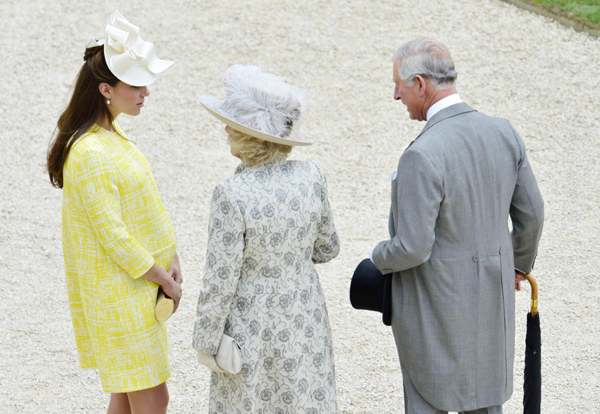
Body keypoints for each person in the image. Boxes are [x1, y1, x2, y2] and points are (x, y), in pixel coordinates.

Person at [370, 38, 544, 414]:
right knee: (485, 402)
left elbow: (413, 247)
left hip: (433, 308)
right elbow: (532, 214)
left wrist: (376, 256)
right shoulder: (504, 132)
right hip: (491, 303)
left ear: (420, 83)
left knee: (425, 401)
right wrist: (518, 265)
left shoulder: (422, 154)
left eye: (398, 86)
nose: (395, 96)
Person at [46, 11, 181, 414]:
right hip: (121, 294)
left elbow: (147, 208)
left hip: (137, 290)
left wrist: (172, 258)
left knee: (127, 397)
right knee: (152, 398)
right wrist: (165, 279)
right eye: (135, 85)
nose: (145, 94)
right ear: (106, 89)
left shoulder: (109, 135)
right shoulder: (88, 151)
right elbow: (115, 235)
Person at [192, 65, 340, 413]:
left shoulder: (231, 194)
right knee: (305, 399)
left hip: (252, 321)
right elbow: (328, 247)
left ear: (248, 137)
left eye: (232, 124)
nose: (225, 128)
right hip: (305, 313)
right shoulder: (311, 175)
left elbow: (220, 279)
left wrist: (205, 341)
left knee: (251, 402)